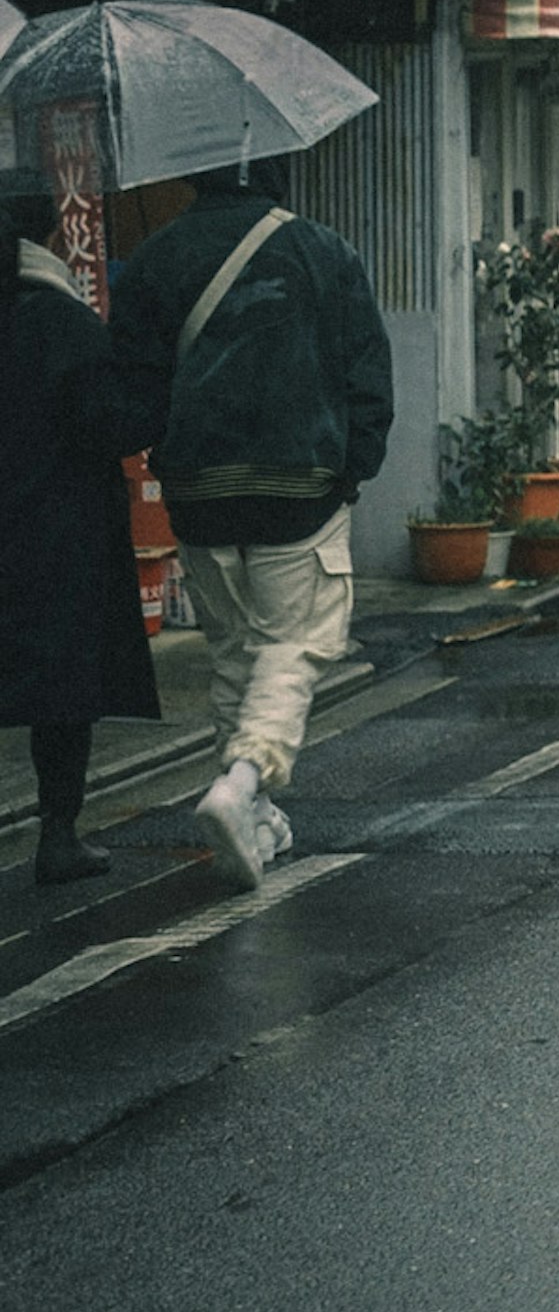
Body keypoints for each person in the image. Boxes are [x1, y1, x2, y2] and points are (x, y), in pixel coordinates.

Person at [105, 159, 392, 890]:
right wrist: (351, 468)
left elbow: (134, 397)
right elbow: (368, 377)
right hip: (300, 484)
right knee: (295, 643)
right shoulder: (325, 253)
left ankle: (254, 818)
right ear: (276, 173)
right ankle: (241, 780)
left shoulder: (154, 260)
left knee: (236, 652)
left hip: (199, 492)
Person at [2, 188, 162, 885]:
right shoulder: (63, 323)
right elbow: (111, 424)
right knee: (60, 690)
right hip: (54, 534)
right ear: (53, 233)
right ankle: (58, 836)